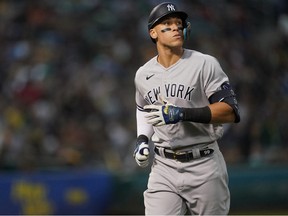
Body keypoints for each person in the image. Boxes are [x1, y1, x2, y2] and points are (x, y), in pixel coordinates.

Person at [133, 2, 240, 215]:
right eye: (167, 23)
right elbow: (144, 109)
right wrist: (142, 139)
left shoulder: (205, 64)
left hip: (204, 164)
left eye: (178, 23)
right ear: (153, 33)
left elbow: (230, 110)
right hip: (163, 166)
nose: (175, 27)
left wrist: (181, 113)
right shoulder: (143, 74)